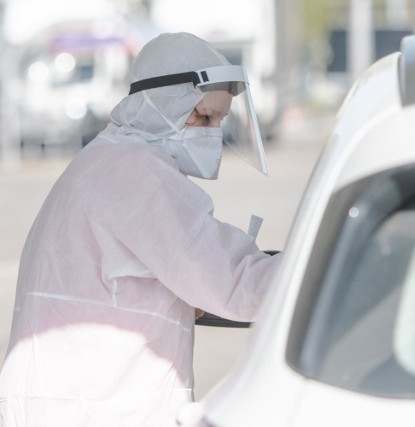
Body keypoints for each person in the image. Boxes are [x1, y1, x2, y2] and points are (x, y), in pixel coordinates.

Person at [0, 32, 282, 426]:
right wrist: (320, 266)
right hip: (100, 407)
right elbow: (235, 284)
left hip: (62, 401)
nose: (212, 133)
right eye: (204, 117)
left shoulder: (104, 159)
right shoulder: (139, 175)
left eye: (219, 121)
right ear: (163, 104)